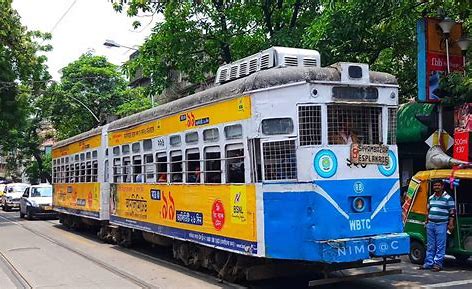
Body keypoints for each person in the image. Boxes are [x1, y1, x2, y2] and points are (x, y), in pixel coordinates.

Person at [418, 179, 455, 272]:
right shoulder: (431, 198)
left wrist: (451, 223)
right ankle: (428, 263)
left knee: (440, 245)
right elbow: (428, 210)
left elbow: (452, 212)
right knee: (430, 245)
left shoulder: (448, 198)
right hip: (430, 224)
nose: (436, 187)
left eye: (438, 185)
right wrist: (426, 221)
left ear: (442, 186)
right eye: (435, 185)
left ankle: (438, 264)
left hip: (441, 225)